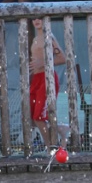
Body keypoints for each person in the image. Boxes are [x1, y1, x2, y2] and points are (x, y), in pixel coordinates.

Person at [29, 18, 69, 149]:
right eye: (34, 18)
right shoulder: (35, 38)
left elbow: (62, 58)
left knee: (39, 116)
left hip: (47, 78)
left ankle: (51, 147)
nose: (36, 20)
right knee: (33, 116)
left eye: (40, 17)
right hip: (36, 78)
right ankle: (60, 130)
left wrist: (43, 63)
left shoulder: (49, 36)